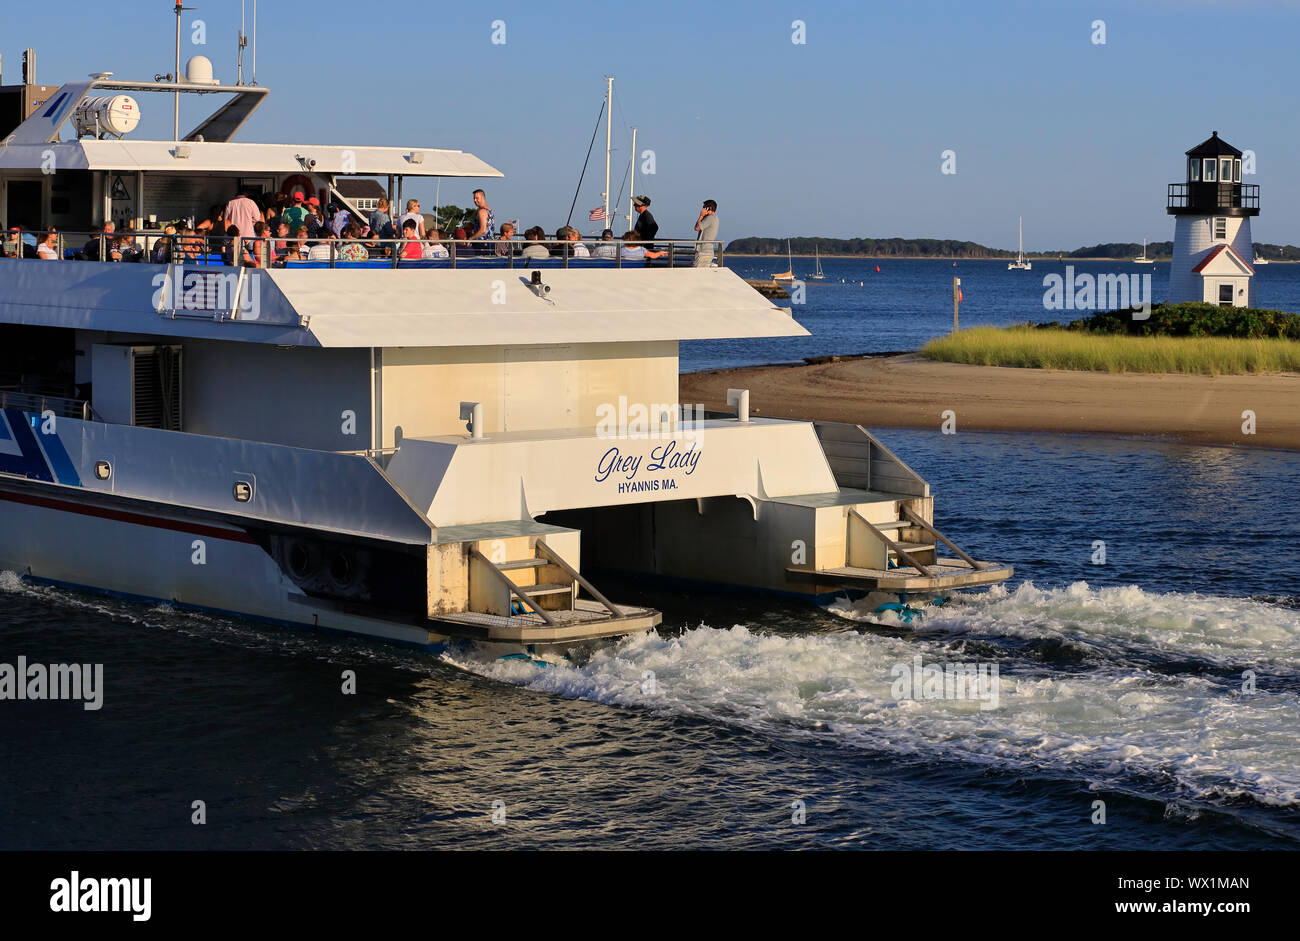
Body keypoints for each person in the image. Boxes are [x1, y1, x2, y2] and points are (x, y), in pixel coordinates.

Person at [693, 198, 719, 267]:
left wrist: (701, 216)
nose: (702, 209)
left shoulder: (709, 218)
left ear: (708, 208)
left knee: (696, 274)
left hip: (703, 251)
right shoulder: (715, 218)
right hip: (709, 251)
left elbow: (696, 228)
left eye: (704, 207)